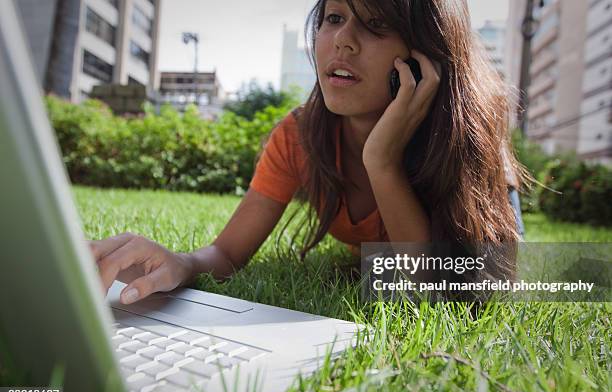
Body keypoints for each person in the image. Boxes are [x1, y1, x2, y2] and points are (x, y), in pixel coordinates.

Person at [90, 0, 527, 305]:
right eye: (333, 17)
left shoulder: (470, 137)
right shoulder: (299, 135)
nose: (343, 40)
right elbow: (225, 255)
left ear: (423, 56)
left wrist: (382, 162)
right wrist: (180, 263)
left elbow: (441, 290)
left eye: (376, 24)